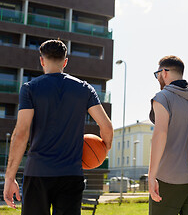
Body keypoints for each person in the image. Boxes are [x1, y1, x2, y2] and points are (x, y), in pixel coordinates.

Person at [3, 39, 113, 215]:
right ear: (65, 61)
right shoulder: (84, 89)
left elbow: (20, 134)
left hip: (37, 173)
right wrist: (103, 148)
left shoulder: (30, 88)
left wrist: (10, 177)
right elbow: (106, 127)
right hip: (71, 174)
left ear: (42, 61)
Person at [148, 55, 188, 215]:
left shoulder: (162, 97)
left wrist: (151, 175)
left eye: (157, 74)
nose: (158, 78)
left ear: (164, 72)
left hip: (169, 178)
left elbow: (160, 134)